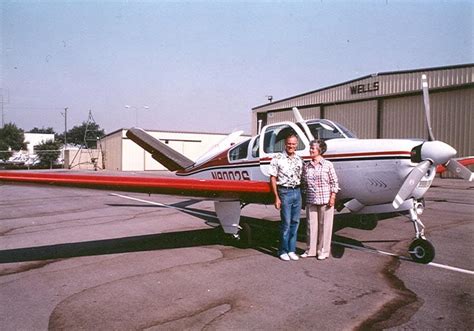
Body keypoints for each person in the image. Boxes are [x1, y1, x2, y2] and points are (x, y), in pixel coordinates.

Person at [301, 139, 339, 260]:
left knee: (325, 226)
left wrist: (333, 197)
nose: (311, 150)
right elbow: (303, 183)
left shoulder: (328, 165)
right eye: (310, 148)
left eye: (313, 148)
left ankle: (323, 251)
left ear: (320, 150)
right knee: (310, 226)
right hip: (311, 200)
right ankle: (310, 250)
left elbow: (334, 182)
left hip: (326, 200)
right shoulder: (306, 166)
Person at [269, 134, 303, 261]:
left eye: (294, 144)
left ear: (296, 145)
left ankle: (291, 250)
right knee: (286, 223)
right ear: (285, 144)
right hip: (284, 192)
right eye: (289, 143)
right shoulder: (277, 158)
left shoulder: (300, 159)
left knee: (295, 222)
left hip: (297, 191)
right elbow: (272, 177)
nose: (291, 146)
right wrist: (276, 197)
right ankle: (282, 250)